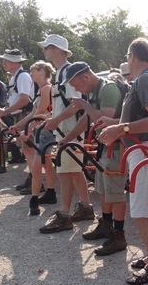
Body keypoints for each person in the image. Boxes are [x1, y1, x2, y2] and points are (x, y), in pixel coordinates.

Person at [98, 38, 148, 284]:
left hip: (144, 150)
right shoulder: (145, 79)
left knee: (140, 211)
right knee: (146, 209)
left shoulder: (146, 79)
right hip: (143, 149)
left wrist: (120, 129)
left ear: (132, 56)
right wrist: (117, 125)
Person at [54, 61, 128, 256]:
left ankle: (119, 234)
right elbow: (87, 119)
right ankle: (105, 224)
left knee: (116, 192)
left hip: (118, 146)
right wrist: (67, 139)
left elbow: (103, 119)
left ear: (85, 77)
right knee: (103, 188)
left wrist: (85, 105)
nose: (77, 89)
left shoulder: (108, 89)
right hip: (107, 145)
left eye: (76, 85)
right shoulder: (95, 91)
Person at [37, 35, 94, 233]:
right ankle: (85, 207)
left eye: (47, 47)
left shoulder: (67, 73)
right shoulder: (63, 72)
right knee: (74, 170)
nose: (44, 51)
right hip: (67, 129)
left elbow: (76, 103)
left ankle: (65, 214)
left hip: (70, 130)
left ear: (57, 50)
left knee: (65, 172)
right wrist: (53, 119)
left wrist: (56, 120)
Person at [9, 61, 56, 215]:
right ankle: (50, 192)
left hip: (45, 132)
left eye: (33, 71)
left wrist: (27, 131)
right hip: (41, 131)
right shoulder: (41, 90)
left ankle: (34, 200)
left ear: (42, 71)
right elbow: (33, 114)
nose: (30, 74)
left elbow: (40, 113)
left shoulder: (47, 89)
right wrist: (19, 126)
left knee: (36, 166)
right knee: (46, 164)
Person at [0, 49, 34, 169]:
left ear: (13, 62)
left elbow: (24, 99)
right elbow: (16, 98)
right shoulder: (15, 77)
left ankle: (34, 178)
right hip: (19, 114)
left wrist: (5, 111)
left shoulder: (22, 76)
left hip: (24, 114)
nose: (3, 64)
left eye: (5, 61)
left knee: (29, 147)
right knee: (26, 148)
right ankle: (32, 177)